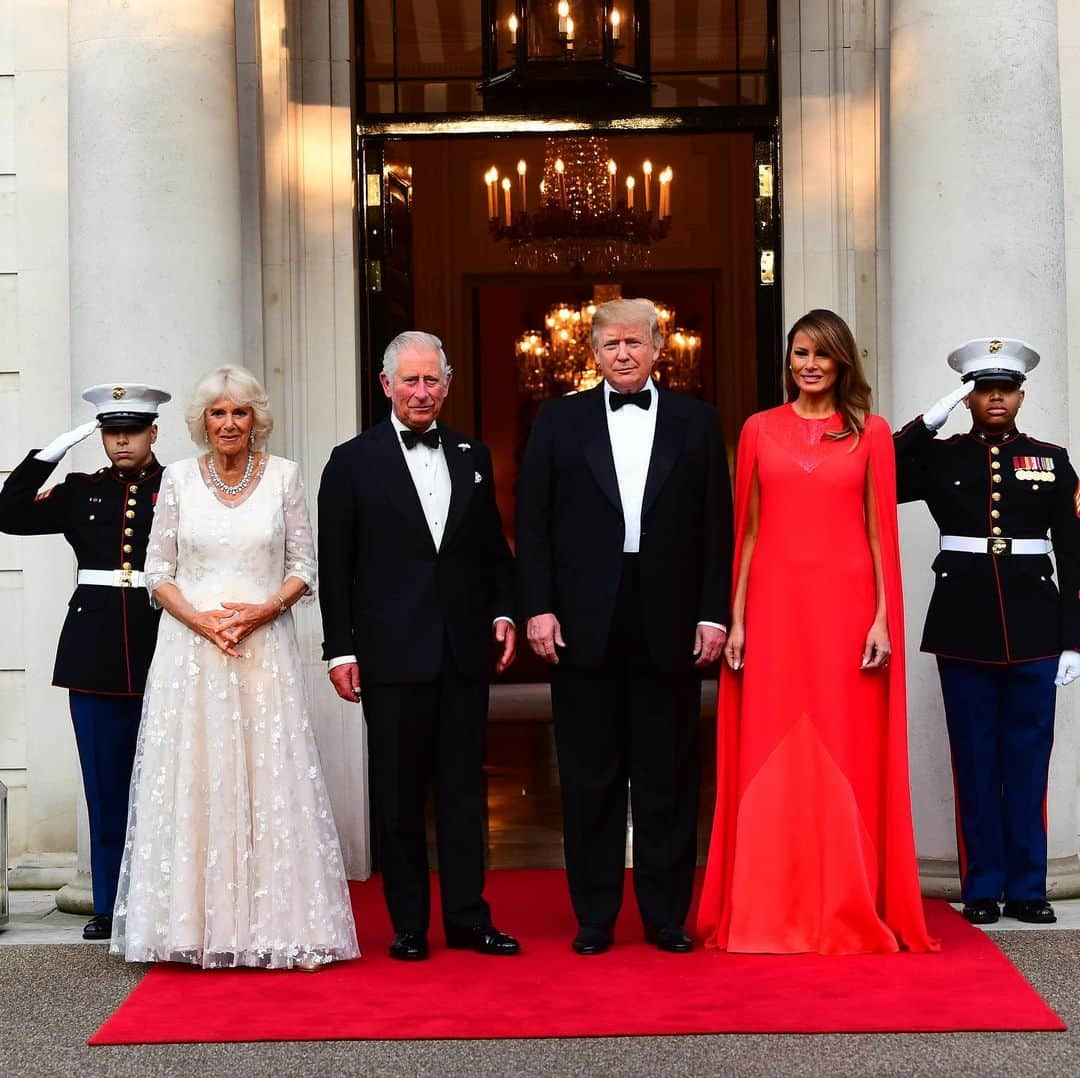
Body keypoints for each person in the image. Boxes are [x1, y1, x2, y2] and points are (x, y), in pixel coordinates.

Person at [697, 309, 936, 954]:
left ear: (842, 363)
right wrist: (738, 618)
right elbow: (745, 531)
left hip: (848, 608)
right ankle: (764, 904)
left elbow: (879, 533)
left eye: (822, 355)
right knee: (769, 742)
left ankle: (846, 902)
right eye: (800, 353)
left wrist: (884, 618)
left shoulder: (873, 434)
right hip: (773, 609)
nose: (809, 365)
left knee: (846, 746)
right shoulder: (756, 430)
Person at [110, 365, 358, 970]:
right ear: (202, 422)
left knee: (268, 781)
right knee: (198, 779)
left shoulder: (284, 477)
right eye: (218, 413)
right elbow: (156, 572)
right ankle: (191, 927)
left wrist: (262, 610)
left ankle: (272, 925)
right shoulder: (174, 481)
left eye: (240, 413)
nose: (228, 424)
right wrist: (202, 621)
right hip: (190, 654)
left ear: (256, 420)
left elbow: (305, 563)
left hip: (263, 647)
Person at [516, 298, 733, 956]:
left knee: (667, 774)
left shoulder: (697, 423)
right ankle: (595, 917)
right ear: (593, 352)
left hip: (670, 617)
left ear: (660, 347)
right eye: (610, 344)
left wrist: (713, 611)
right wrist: (539, 606)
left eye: (635, 343)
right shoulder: (557, 420)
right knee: (589, 776)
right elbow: (533, 523)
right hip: (583, 619)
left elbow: (717, 527)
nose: (623, 354)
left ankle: (667, 917)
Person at [318, 331, 519, 962]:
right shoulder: (350, 462)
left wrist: (505, 610)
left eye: (432, 380)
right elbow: (335, 565)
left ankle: (468, 918)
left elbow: (492, 550)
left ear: (447, 384)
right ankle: (408, 925)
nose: (422, 392)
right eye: (410, 380)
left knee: (463, 792)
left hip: (462, 649)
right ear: (386, 386)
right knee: (399, 796)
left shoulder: (473, 455)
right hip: (389, 652)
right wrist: (340, 649)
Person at [894, 338, 1080, 926]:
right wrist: (924, 424)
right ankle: (982, 886)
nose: (994, 397)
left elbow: (1074, 555)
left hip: (1035, 627)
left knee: (1027, 760)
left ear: (1022, 395)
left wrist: (1075, 638)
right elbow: (880, 474)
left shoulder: (1051, 459)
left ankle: (1028, 888)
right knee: (973, 759)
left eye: (1005, 388)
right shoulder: (941, 456)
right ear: (969, 398)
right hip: (963, 623)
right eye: (982, 389)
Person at [0, 383, 170, 941]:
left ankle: (166, 898)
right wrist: (52, 450)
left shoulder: (178, 488)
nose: (121, 441)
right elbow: (9, 512)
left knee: (169, 785)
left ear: (153, 432)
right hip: (94, 653)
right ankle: (108, 902)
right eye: (110, 432)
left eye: (132, 430)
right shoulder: (80, 490)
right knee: (105, 785)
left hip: (164, 645)